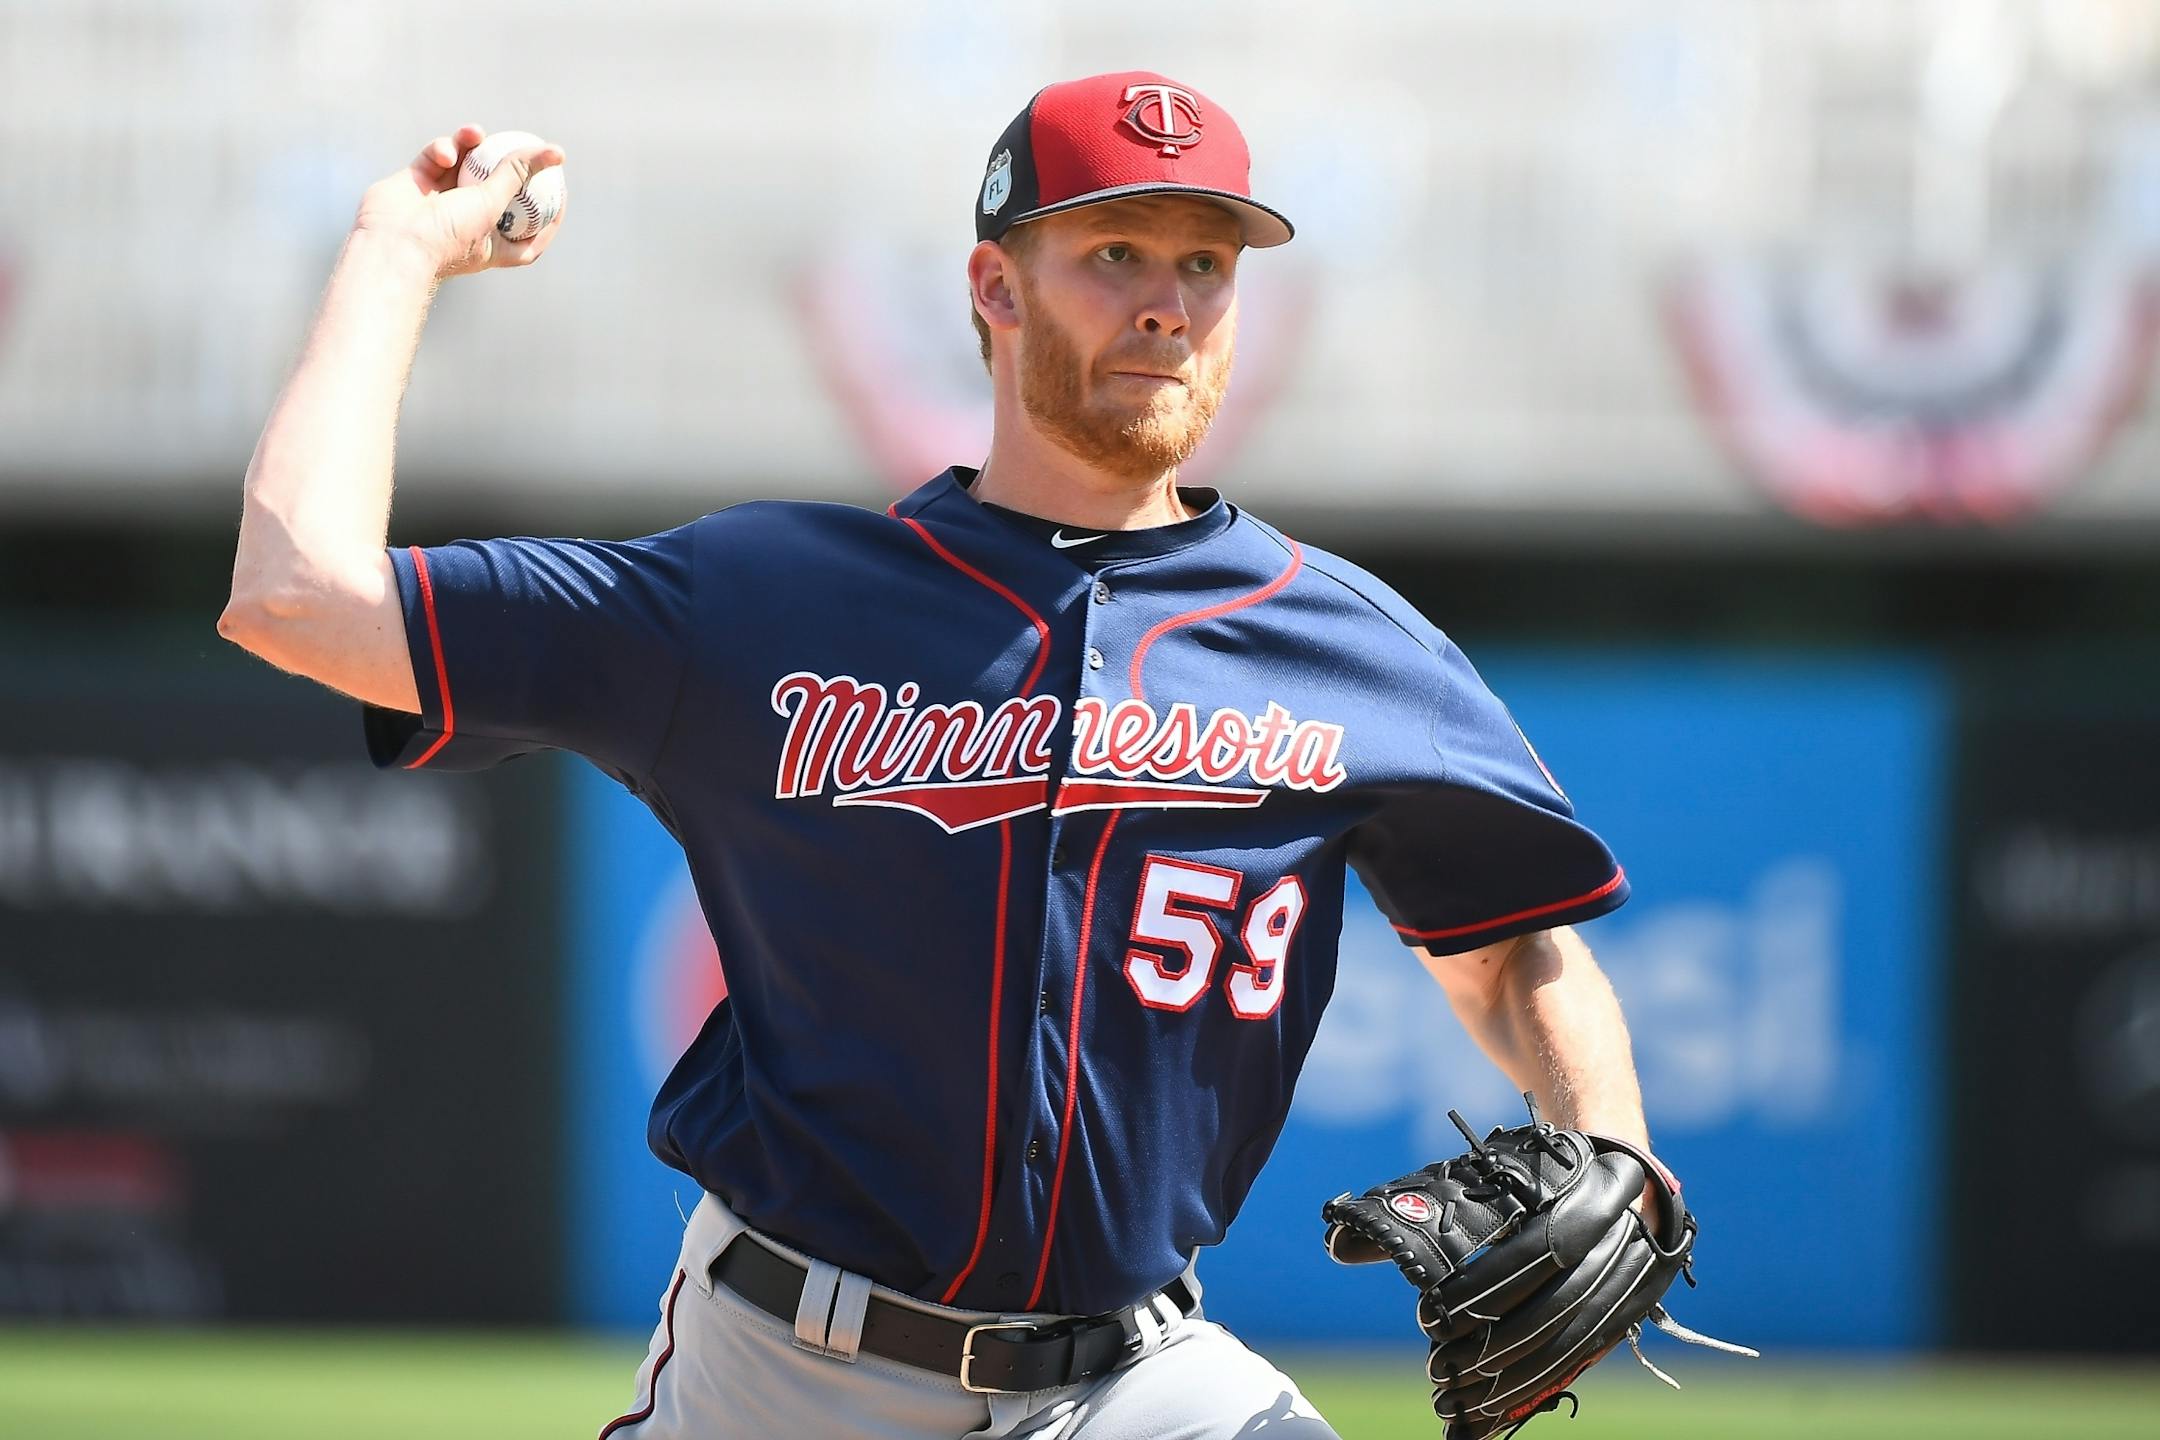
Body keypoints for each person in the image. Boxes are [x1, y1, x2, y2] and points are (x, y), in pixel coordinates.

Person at [219, 71, 1654, 1440]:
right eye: (1115, 252)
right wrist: (390, 256)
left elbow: (1515, 944)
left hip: (1139, 1380)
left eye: (1207, 265)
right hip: (788, 1373)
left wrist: (1616, 1157)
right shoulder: (762, 598)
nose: (1168, 303)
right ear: (993, 289)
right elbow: (294, 598)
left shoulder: (1348, 645)